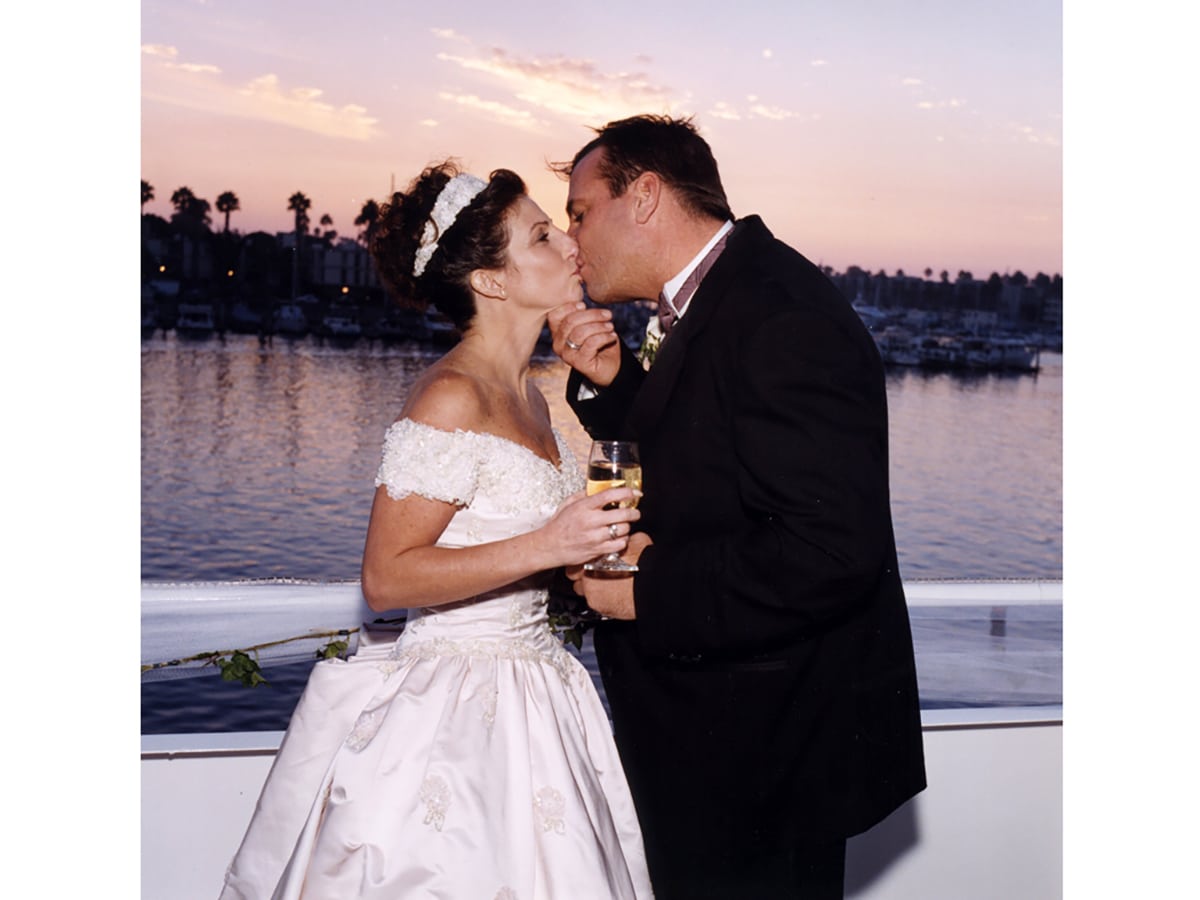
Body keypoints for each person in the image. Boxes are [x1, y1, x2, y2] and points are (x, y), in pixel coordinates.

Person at [219, 162, 654, 899]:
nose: (570, 244)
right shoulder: (450, 396)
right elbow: (386, 577)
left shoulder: (533, 399)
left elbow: (529, 550)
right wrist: (551, 544)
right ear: (490, 280)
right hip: (452, 710)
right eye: (542, 236)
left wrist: (595, 555)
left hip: (539, 692)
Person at [547, 115, 927, 899]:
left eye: (580, 212)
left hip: (762, 766)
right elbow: (708, 465)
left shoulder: (781, 315)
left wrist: (644, 590)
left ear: (644, 196)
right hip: (724, 749)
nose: (572, 238)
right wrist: (615, 387)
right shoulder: (721, 298)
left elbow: (829, 550)